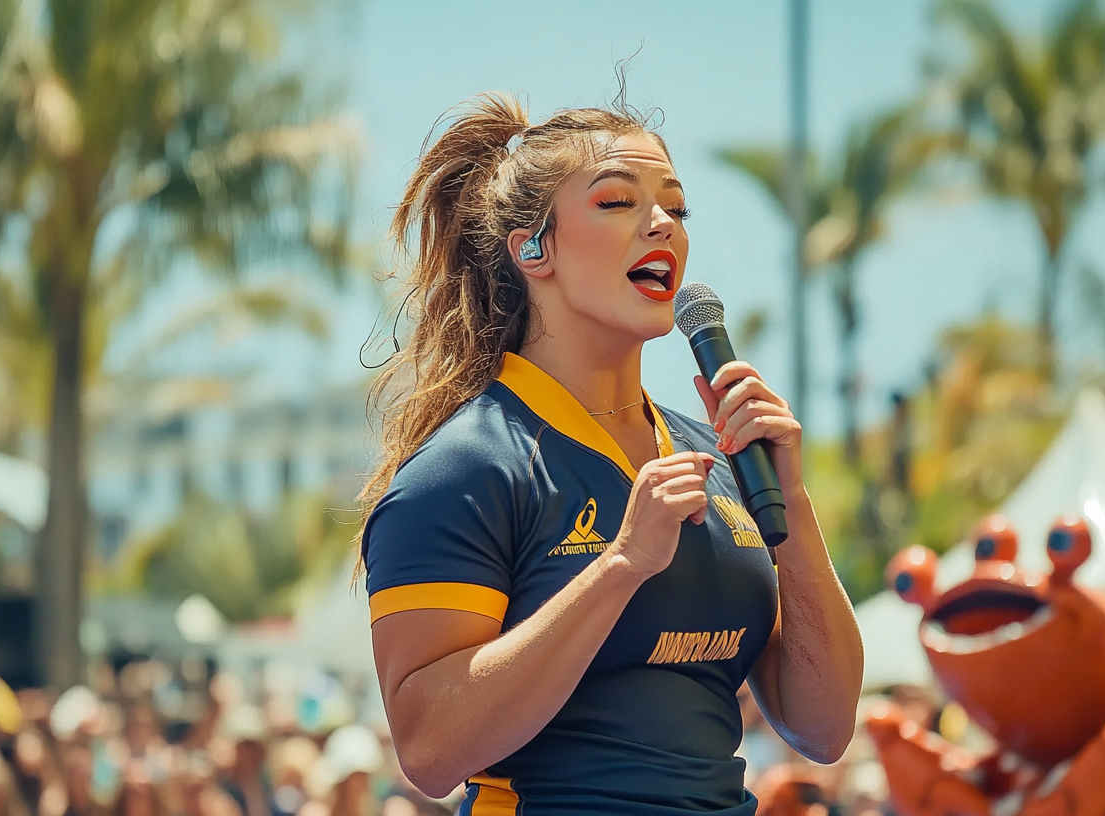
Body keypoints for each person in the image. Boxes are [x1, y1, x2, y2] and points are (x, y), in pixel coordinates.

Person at [358, 89, 865, 815]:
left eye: (676, 208)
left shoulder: (716, 460)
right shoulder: (463, 471)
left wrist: (796, 506)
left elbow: (824, 727)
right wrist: (622, 565)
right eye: (617, 201)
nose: (662, 225)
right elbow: (431, 751)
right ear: (533, 248)